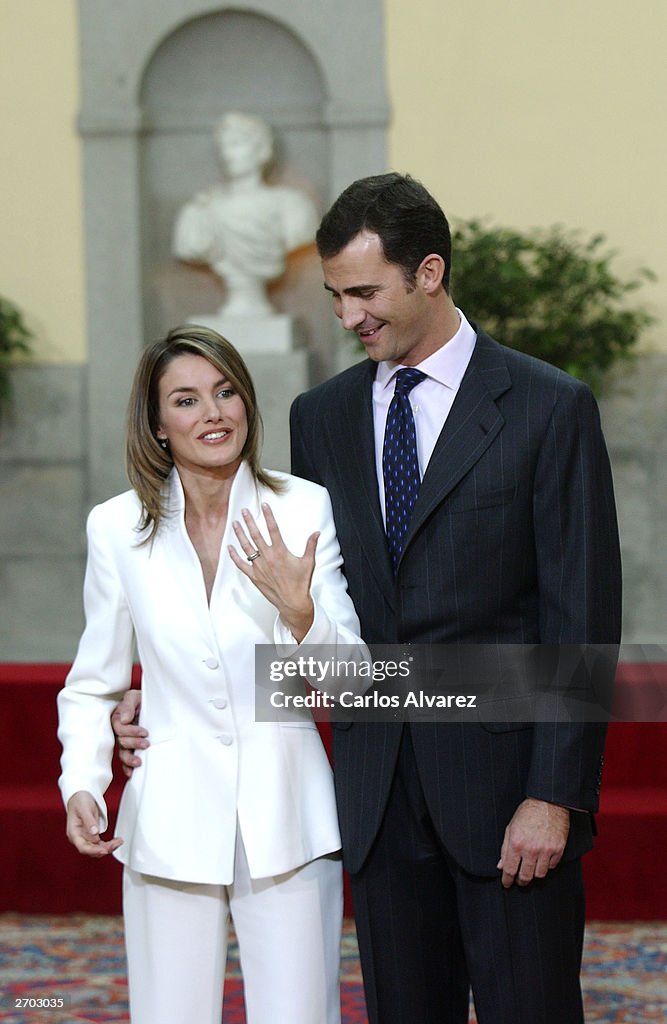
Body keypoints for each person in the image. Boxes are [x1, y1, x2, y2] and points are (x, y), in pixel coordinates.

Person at [116, 174, 622, 1024]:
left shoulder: (547, 407)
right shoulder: (322, 417)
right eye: (334, 296)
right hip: (378, 797)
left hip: (506, 797)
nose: (347, 316)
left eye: (363, 292)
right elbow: (297, 601)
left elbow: (582, 615)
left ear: (428, 273)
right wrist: (162, 699)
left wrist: (555, 795)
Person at [57, 325, 368, 1024]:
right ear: (158, 424)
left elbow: (352, 684)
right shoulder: (116, 528)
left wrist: (299, 611)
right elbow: (95, 680)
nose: (214, 414)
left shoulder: (302, 507)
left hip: (287, 818)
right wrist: (82, 778)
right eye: (188, 400)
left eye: (227, 393)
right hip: (168, 818)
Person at [172, 112, 318, 317]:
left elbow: (300, 235)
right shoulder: (200, 211)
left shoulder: (292, 205)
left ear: (262, 150)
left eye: (237, 144)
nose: (227, 153)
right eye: (223, 146)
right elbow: (189, 247)